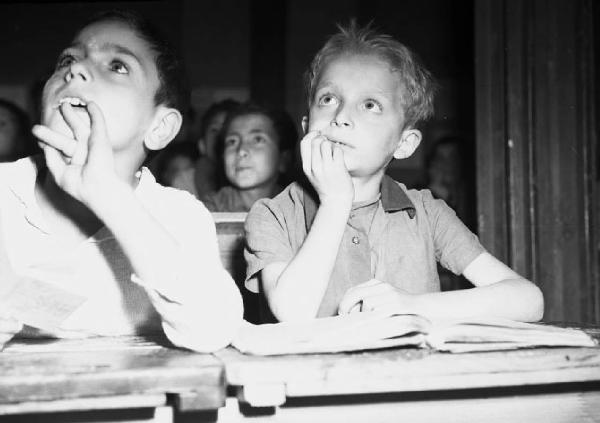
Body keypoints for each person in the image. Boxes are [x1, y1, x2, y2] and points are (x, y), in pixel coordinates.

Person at [244, 22, 544, 323]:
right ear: (308, 127)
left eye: (370, 104)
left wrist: (412, 305)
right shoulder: (274, 214)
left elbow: (528, 301)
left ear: (404, 144)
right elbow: (293, 313)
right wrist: (335, 201)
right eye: (328, 99)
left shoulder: (426, 212)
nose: (341, 116)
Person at [0, 10, 243, 351]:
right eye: (67, 59)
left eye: (117, 66)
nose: (75, 69)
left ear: (160, 127)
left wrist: (110, 199)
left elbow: (213, 328)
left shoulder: (175, 215)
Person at [203, 102, 296, 212]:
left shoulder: (297, 209)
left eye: (257, 139)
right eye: (232, 141)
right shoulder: (207, 211)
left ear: (283, 159)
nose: (241, 151)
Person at [171, 99, 240, 199]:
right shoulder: (185, 181)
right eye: (214, 130)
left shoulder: (252, 177)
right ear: (202, 144)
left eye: (229, 129)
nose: (222, 136)